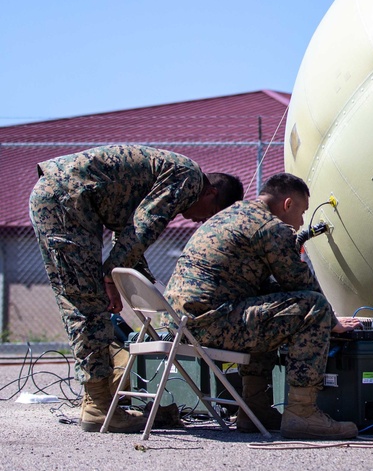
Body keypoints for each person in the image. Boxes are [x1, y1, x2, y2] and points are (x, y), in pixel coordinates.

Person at [28, 144, 244, 433]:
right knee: (85, 303)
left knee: (89, 300)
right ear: (211, 193)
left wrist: (121, 277)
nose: (202, 223)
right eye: (211, 215)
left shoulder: (173, 175)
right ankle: (98, 405)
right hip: (66, 199)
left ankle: (100, 397)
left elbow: (127, 232)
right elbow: (145, 226)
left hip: (68, 198)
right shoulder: (189, 178)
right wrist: (109, 277)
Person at [164, 172, 362, 440]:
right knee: (313, 308)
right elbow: (300, 283)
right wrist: (332, 321)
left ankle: (254, 408)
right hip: (210, 324)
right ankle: (303, 413)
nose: (302, 221)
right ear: (288, 204)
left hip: (183, 323)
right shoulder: (270, 227)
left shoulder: (230, 213)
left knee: (269, 304)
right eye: (302, 212)